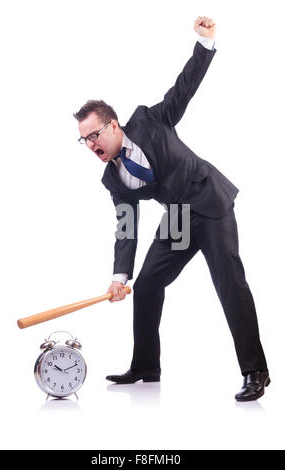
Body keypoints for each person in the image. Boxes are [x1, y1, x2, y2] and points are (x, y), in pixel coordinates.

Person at [74, 16, 270, 401]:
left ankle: (255, 372)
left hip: (209, 202)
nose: (91, 145)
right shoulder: (113, 179)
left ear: (114, 126)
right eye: (84, 141)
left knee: (229, 284)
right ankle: (146, 364)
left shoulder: (149, 121)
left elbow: (184, 90)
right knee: (147, 284)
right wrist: (119, 277)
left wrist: (206, 45)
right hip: (179, 216)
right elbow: (127, 226)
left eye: (94, 135)